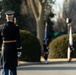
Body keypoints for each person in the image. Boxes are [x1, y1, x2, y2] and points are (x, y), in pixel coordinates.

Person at [0, 10, 22, 75]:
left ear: (6, 18)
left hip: (4, 48)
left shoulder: (1, 27)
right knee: (13, 67)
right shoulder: (15, 27)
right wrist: (19, 50)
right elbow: (18, 39)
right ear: (12, 18)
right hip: (13, 49)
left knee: (5, 66)